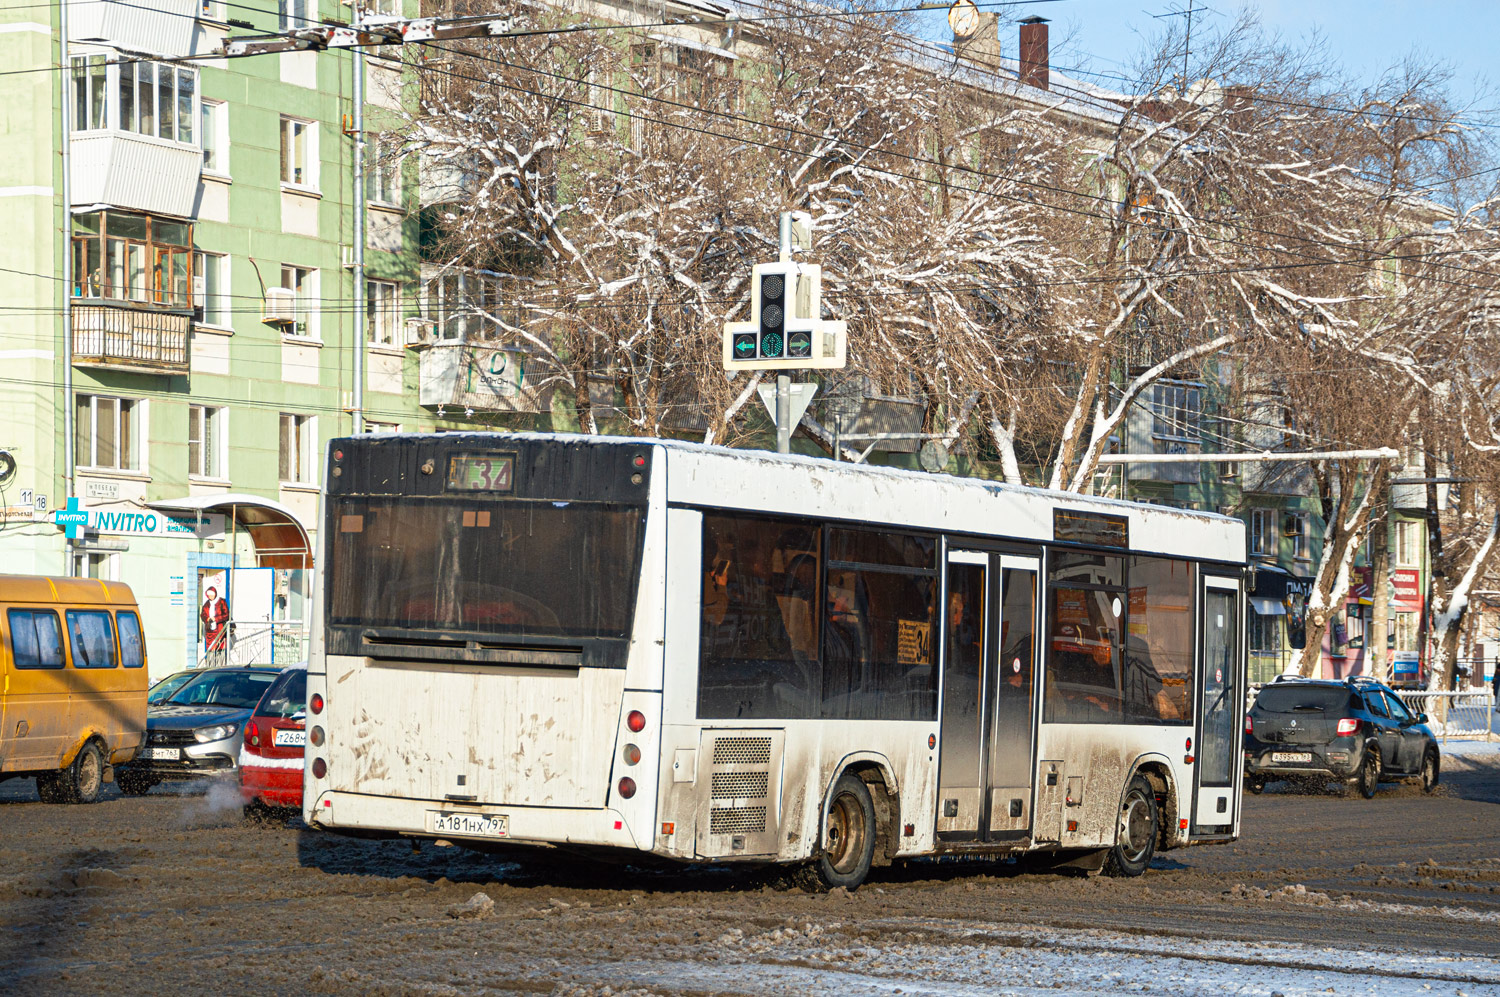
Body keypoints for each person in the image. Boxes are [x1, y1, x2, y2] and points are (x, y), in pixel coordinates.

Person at [201, 586, 230, 666]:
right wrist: (207, 618)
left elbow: (226, 615)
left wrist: (216, 618)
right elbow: (202, 614)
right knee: (210, 649)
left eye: (212, 595)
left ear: (215, 594)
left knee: (220, 648)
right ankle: (210, 666)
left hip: (220, 630)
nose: (210, 597)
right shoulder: (207, 604)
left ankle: (220, 666)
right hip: (210, 631)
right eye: (209, 595)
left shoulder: (221, 602)